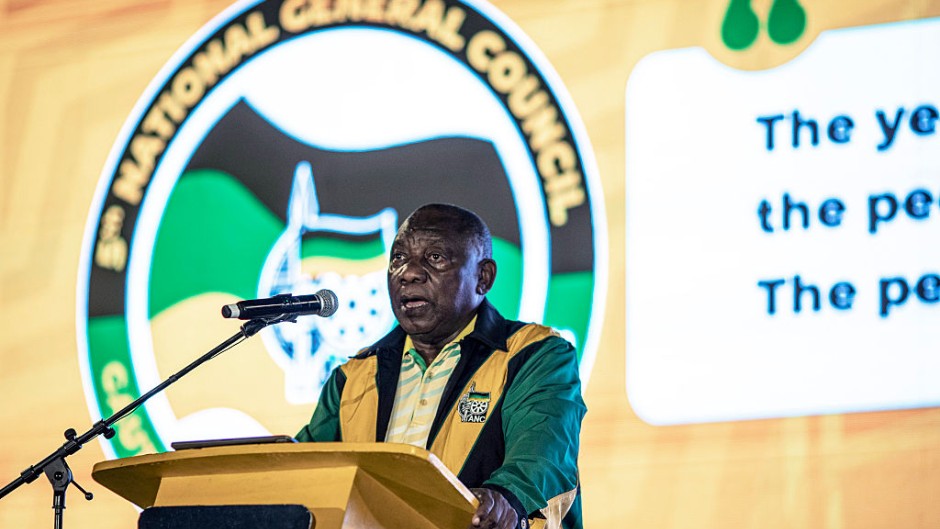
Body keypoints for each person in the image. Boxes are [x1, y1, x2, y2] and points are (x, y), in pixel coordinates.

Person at [296, 204, 586, 529]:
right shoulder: (354, 375)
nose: (409, 273)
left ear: (483, 277)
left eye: (435, 258)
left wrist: (505, 495)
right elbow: (300, 469)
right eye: (398, 259)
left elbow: (542, 455)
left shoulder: (533, 355)